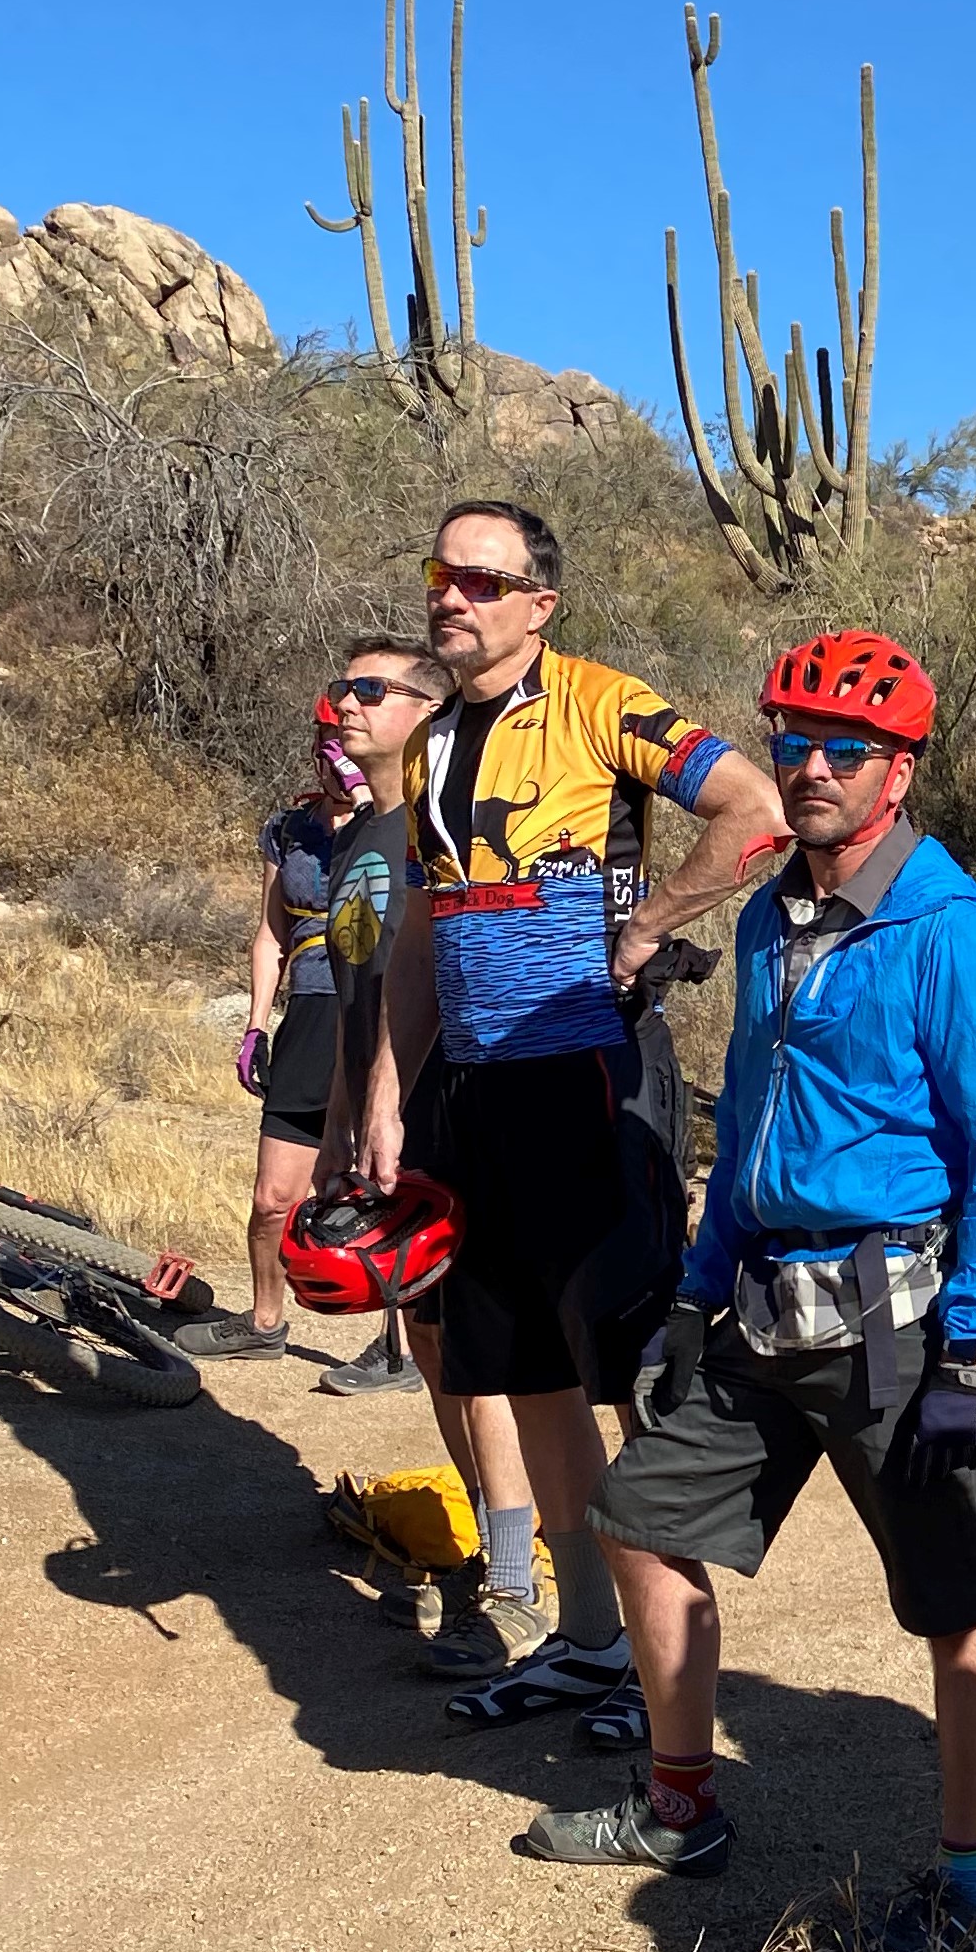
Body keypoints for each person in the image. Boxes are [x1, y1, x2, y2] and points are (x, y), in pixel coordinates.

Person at [517, 630, 976, 1952]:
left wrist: (969, 1354)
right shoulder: (763, 914)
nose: (811, 767)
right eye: (793, 740)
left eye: (845, 748)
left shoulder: (951, 935)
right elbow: (752, 1111)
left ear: (900, 770)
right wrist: (697, 1292)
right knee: (640, 1525)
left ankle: (969, 1877)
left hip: (896, 1331)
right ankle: (681, 1801)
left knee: (958, 1609)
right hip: (758, 1305)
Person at [360, 499, 786, 1730]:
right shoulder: (432, 744)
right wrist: (390, 1093)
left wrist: (649, 924)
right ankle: (591, 1642)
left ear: (538, 604)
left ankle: (672, 1691)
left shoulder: (602, 702)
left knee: (627, 1373)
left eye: (482, 579)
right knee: (527, 1371)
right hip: (477, 1089)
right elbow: (415, 942)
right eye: (441, 572)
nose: (453, 595)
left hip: (591, 1074)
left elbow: (751, 805)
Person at [307, 630, 549, 1666]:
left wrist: (409, 1112)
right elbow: (358, 1007)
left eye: (370, 688)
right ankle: (496, 1560)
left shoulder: (441, 830)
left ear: (426, 707)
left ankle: (517, 1586)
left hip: (445, 1121)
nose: (344, 705)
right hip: (377, 1124)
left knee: (480, 1349)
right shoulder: (364, 837)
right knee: (439, 1349)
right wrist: (335, 1129)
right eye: (341, 688)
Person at [174, 702, 362, 1360]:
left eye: (354, 740)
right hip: (309, 1012)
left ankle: (399, 1344)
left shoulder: (398, 824)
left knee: (374, 1188)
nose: (344, 754)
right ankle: (262, 1322)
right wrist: (256, 1025)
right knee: (273, 1196)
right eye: (333, 740)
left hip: (374, 1013)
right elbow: (271, 933)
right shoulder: (288, 830)